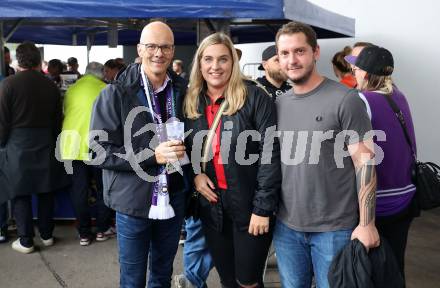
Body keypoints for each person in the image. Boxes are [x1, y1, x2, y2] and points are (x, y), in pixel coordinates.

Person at [274, 22, 380, 288]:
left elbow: (364, 162)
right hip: (287, 227)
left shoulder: (345, 99)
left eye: (299, 51)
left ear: (315, 52)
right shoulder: (278, 103)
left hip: (335, 229)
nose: (292, 60)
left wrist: (367, 223)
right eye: (284, 53)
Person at [90, 21, 189, 287]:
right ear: (139, 49)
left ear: (172, 50)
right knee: (132, 280)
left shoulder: (182, 91)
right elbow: (99, 152)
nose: (159, 53)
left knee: (162, 274)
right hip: (133, 202)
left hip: (173, 197)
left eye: (165, 47)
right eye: (152, 46)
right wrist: (150, 156)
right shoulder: (115, 93)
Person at [184, 32, 280, 288]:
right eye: (208, 59)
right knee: (227, 280)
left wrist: (262, 208)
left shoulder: (255, 97)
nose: (215, 66)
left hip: (249, 205)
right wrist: (195, 175)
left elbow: (270, 155)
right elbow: (186, 148)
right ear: (200, 63)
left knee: (248, 281)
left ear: (233, 63)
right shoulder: (192, 100)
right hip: (212, 206)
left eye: (223, 59)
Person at [345, 46, 418, 279]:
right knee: (394, 268)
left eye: (355, 70)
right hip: (406, 197)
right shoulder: (398, 95)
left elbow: (354, 154)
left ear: (365, 74)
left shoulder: (362, 101)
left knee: (366, 274)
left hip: (378, 202)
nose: (353, 74)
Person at [0, 42, 69, 254]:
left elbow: (3, 120)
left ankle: (26, 240)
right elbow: (58, 120)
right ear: (39, 60)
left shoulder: (8, 84)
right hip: (46, 141)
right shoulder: (50, 85)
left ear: (17, 60)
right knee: (45, 189)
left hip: (18, 143)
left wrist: (3, 143)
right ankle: (47, 235)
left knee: (19, 191)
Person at [60, 62, 115, 246]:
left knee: (79, 190)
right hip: (97, 145)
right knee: (103, 188)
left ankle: (84, 234)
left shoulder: (72, 89)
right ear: (103, 73)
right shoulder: (106, 89)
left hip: (72, 145)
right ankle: (102, 229)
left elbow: (66, 112)